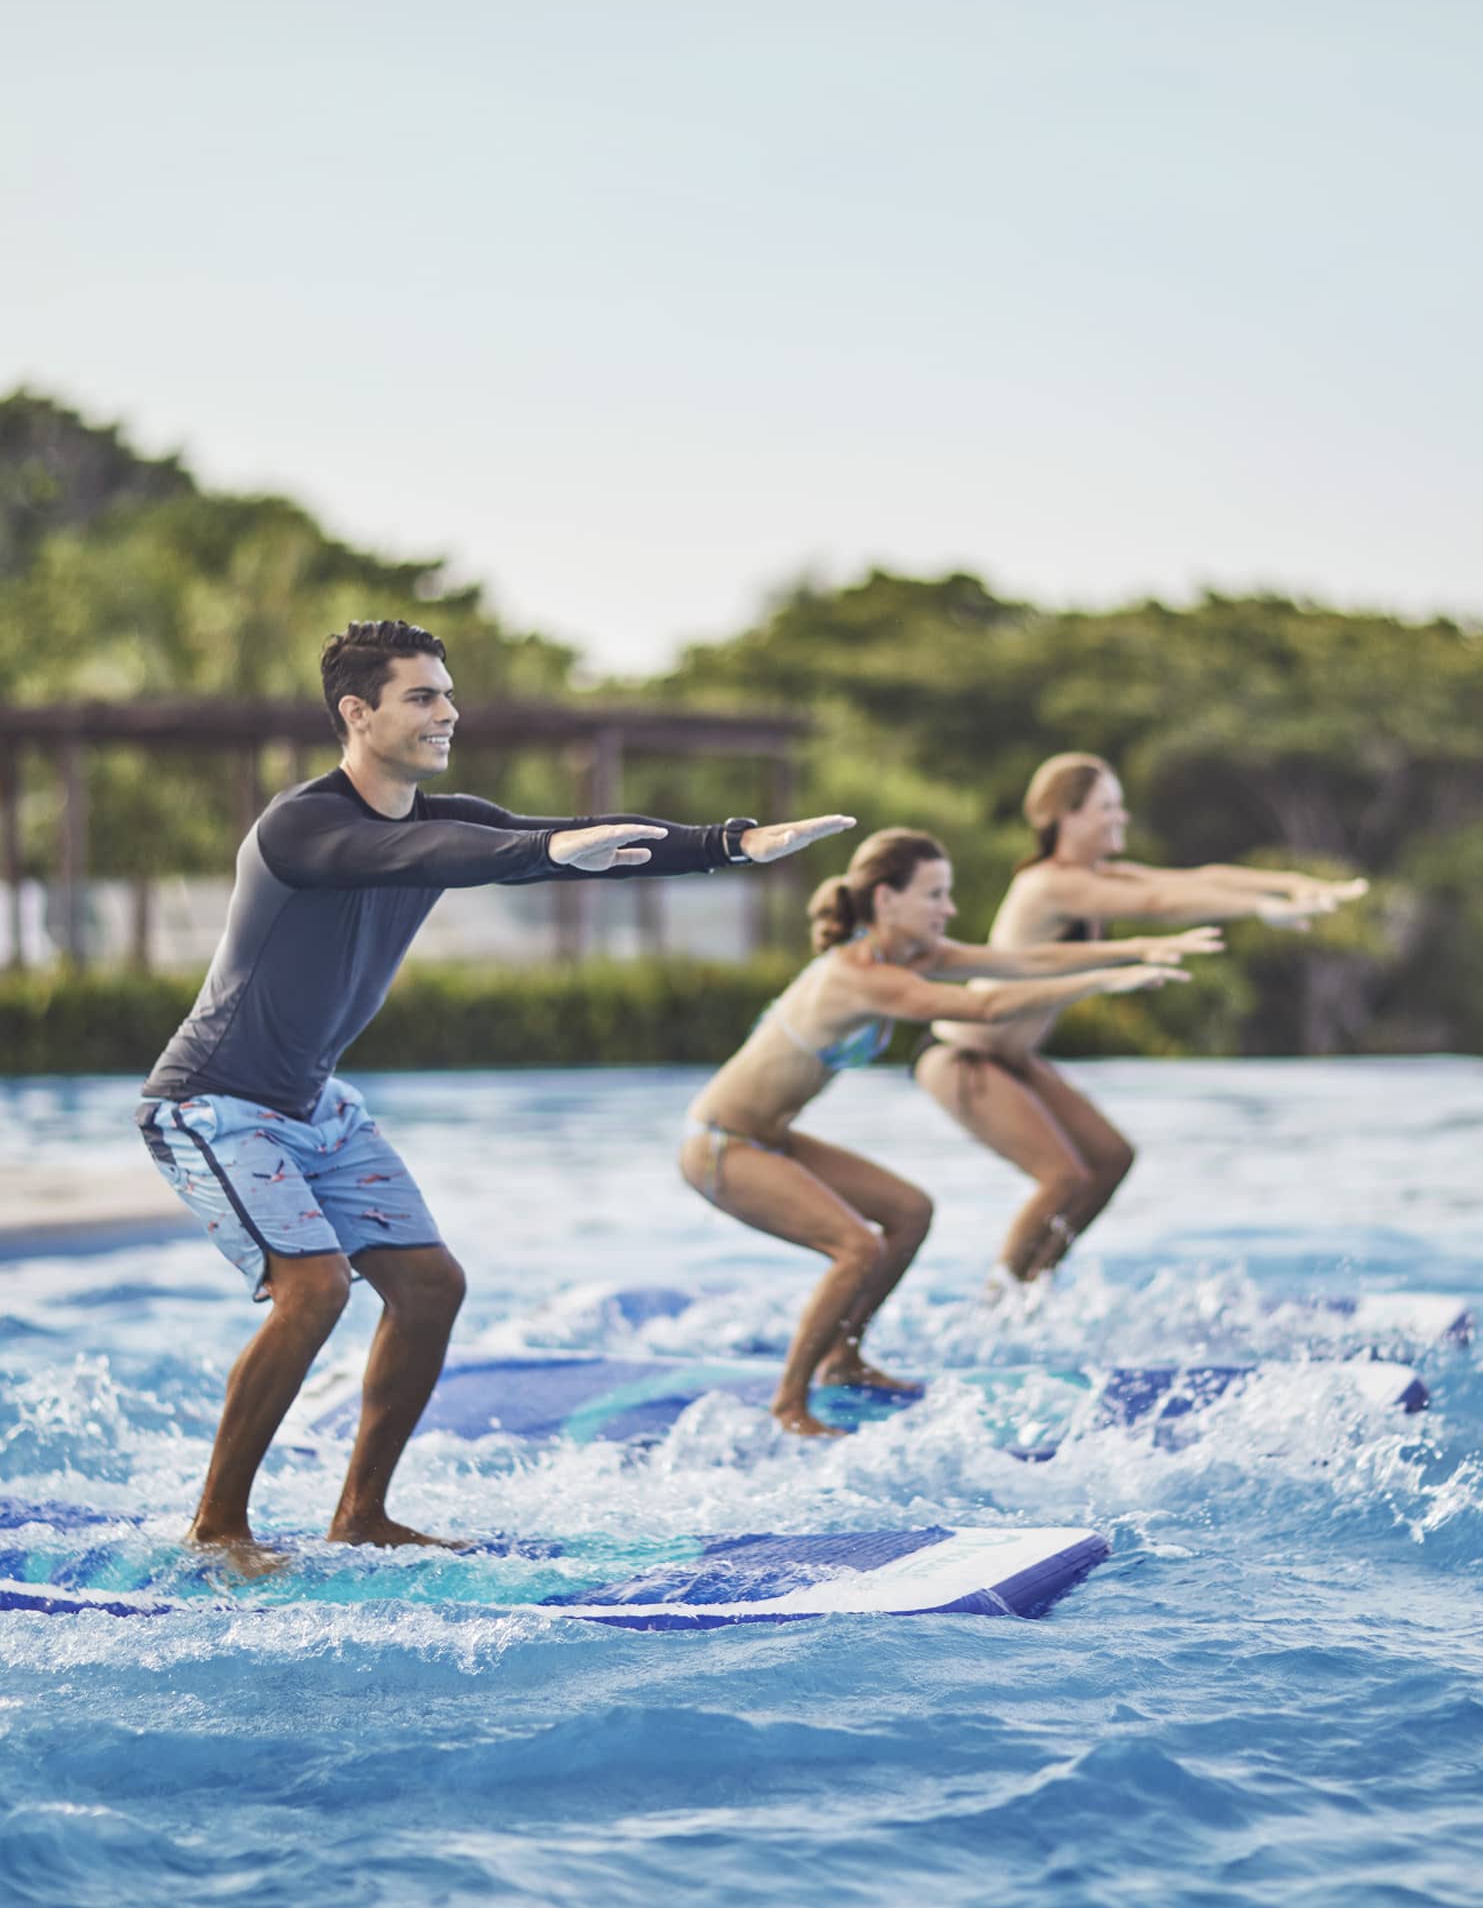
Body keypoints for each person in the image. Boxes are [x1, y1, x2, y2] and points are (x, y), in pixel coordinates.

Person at [136, 618, 853, 1569]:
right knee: (314, 1290)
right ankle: (218, 1528)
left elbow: (565, 836)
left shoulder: (442, 813)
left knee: (430, 1287)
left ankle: (361, 1513)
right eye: (422, 696)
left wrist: (734, 841)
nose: (448, 712)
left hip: (315, 1103)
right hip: (212, 1101)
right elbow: (424, 859)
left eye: (448, 693)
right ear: (358, 712)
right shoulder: (303, 825)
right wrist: (543, 856)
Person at [680, 826, 1219, 1435]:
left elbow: (1023, 962)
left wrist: (1144, 948)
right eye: (935, 895)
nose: (949, 909)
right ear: (886, 901)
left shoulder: (908, 956)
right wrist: (1104, 982)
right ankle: (788, 1404)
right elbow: (985, 1007)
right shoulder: (858, 976)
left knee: (910, 1212)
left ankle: (843, 1357)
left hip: (769, 1137)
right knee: (857, 1247)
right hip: (721, 1145)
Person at [913, 751, 1369, 1300]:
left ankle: (1030, 1293)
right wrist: (1257, 910)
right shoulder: (1049, 886)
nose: (1120, 818)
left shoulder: (1093, 875)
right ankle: (994, 1305)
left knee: (1109, 1159)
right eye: (1108, 807)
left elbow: (1201, 878)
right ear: (1066, 816)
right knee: (1063, 1177)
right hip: (963, 1059)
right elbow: (1157, 902)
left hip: (1013, 1060)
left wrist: (1289, 886)